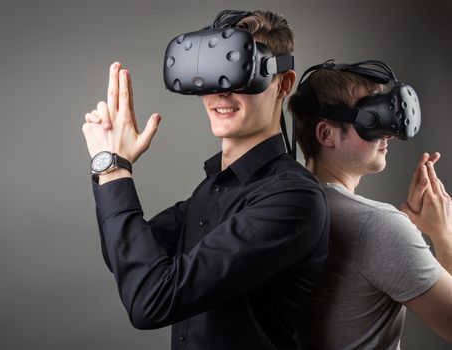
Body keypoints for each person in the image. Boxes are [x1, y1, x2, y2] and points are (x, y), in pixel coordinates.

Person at [81, 10, 329, 350]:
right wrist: (108, 163)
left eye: (238, 73)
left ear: (282, 83)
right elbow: (126, 257)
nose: (220, 93)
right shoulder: (212, 189)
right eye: (211, 74)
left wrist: (113, 170)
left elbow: (150, 300)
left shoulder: (292, 199)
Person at [288, 63, 452, 349]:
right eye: (372, 118)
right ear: (326, 135)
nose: (388, 134)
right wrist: (442, 234)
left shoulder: (282, 206)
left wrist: (408, 230)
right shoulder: (377, 225)